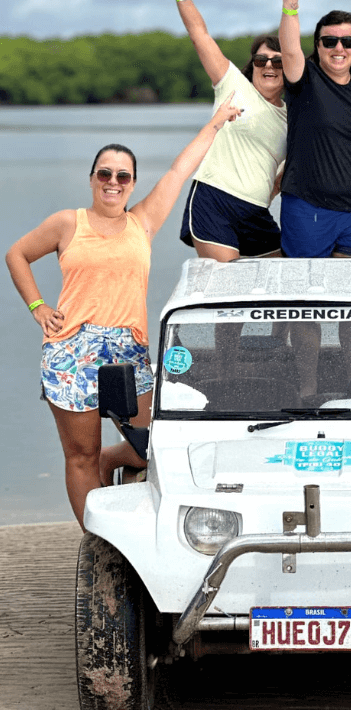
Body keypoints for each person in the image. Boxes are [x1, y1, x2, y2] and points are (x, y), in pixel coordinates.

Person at [5, 95, 242, 529]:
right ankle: (97, 540)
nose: (113, 182)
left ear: (132, 184)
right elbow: (17, 254)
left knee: (147, 444)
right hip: (70, 350)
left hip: (127, 349)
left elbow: (179, 170)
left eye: (122, 176)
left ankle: (107, 461)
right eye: (105, 174)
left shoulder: (143, 222)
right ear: (92, 179)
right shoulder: (67, 223)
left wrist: (217, 121)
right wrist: (38, 307)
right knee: (79, 456)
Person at [274, 0, 351, 395]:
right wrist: (290, 5)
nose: (339, 48)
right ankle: (307, 388)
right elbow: (290, 49)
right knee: (308, 306)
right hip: (307, 209)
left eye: (348, 41)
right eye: (330, 40)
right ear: (318, 45)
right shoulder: (305, 79)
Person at [172, 0, 287, 261]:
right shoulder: (233, 84)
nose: (269, 66)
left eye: (278, 62)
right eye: (262, 59)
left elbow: (282, 175)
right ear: (253, 65)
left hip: (256, 212)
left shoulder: (293, 116)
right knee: (224, 283)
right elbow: (200, 34)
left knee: (283, 278)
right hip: (214, 200)